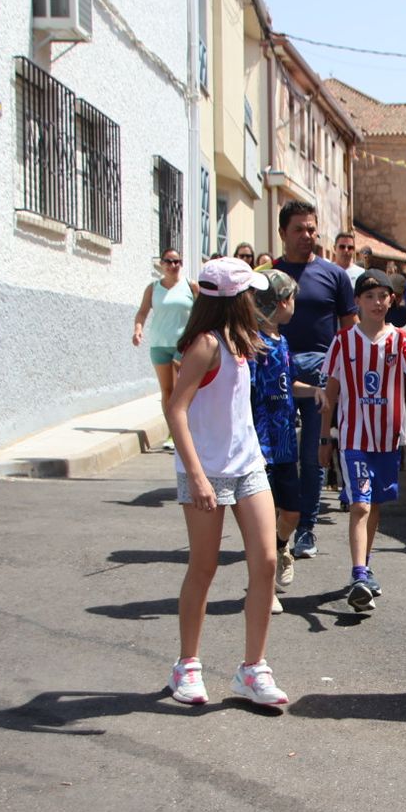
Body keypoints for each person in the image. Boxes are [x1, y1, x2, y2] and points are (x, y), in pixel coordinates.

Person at [164, 257, 288, 708]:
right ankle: (187, 666)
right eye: (250, 294)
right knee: (204, 566)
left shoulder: (241, 341)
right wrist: (196, 475)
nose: (257, 300)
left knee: (267, 562)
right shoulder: (205, 345)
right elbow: (176, 408)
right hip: (206, 471)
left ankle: (252, 670)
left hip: (247, 465)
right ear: (235, 299)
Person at [318, 270, 406, 612]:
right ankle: (357, 575)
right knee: (360, 505)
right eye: (369, 296)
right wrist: (325, 437)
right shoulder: (342, 342)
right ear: (357, 302)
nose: (377, 302)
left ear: (391, 300)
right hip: (354, 436)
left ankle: (365, 567)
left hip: (387, 439)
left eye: (383, 295)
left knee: (375, 505)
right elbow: (331, 391)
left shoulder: (399, 339)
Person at [272, 201, 357, 562]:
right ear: (282, 233)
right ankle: (277, 528)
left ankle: (306, 527)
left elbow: (349, 329)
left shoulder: (334, 275)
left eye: (312, 229)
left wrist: (343, 377)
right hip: (276, 379)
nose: (308, 236)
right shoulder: (269, 276)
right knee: (278, 457)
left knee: (312, 456)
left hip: (321, 381)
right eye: (299, 229)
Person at [248, 268, 322, 613]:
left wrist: (316, 391)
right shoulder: (252, 344)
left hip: (284, 443)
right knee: (263, 518)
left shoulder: (282, 341)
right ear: (280, 302)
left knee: (291, 512)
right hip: (261, 445)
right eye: (292, 298)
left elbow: (288, 384)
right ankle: (262, 589)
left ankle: (281, 550)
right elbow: (247, 393)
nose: (296, 304)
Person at [133, 248, 197, 420]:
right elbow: (142, 312)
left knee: (179, 390)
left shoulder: (190, 286)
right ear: (161, 264)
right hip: (159, 345)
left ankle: (182, 428)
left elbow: (201, 313)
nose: (172, 265)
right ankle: (172, 430)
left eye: (177, 261)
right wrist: (138, 330)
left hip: (182, 345)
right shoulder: (153, 289)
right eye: (168, 261)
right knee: (166, 390)